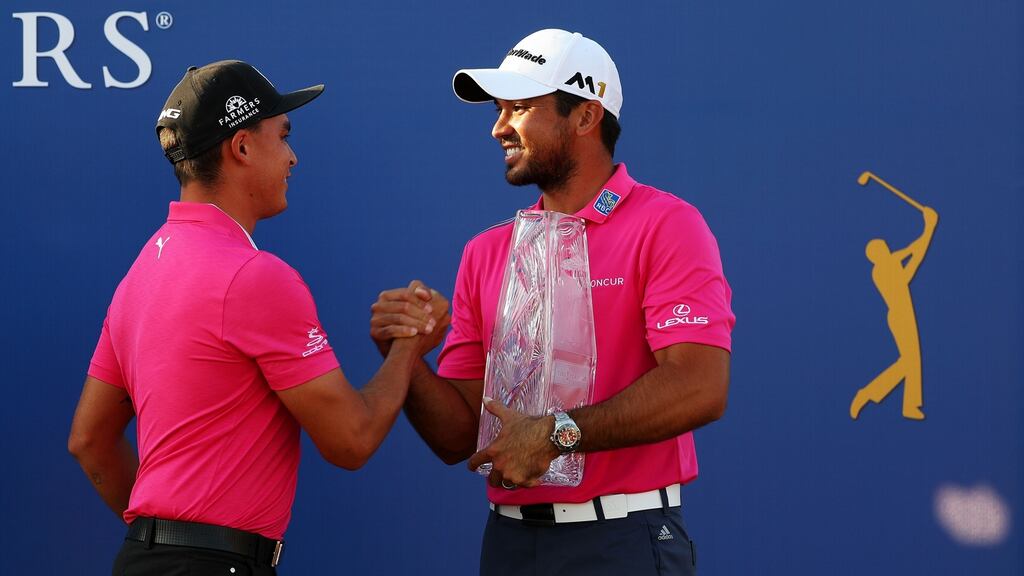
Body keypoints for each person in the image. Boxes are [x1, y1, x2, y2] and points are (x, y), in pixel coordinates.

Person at [370, 29, 734, 575]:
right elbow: (461, 436)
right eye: (498, 110)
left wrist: (558, 432)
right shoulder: (485, 252)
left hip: (624, 539)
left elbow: (701, 386)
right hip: (510, 543)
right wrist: (405, 358)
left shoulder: (666, 225)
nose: (498, 128)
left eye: (519, 108)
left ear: (586, 116)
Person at [68, 60, 439, 575]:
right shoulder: (255, 276)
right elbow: (351, 441)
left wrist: (167, 533)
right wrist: (408, 346)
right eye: (283, 136)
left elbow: (89, 440)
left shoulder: (141, 271)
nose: (293, 157)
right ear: (241, 147)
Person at [850, 204, 938, 420]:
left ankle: (909, 405)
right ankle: (869, 393)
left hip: (904, 313)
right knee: (908, 362)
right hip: (900, 316)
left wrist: (928, 227)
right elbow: (912, 264)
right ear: (876, 255)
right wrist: (929, 227)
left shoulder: (889, 261)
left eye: (886, 246)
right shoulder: (882, 270)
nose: (887, 248)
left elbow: (912, 249)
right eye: (883, 248)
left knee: (912, 360)